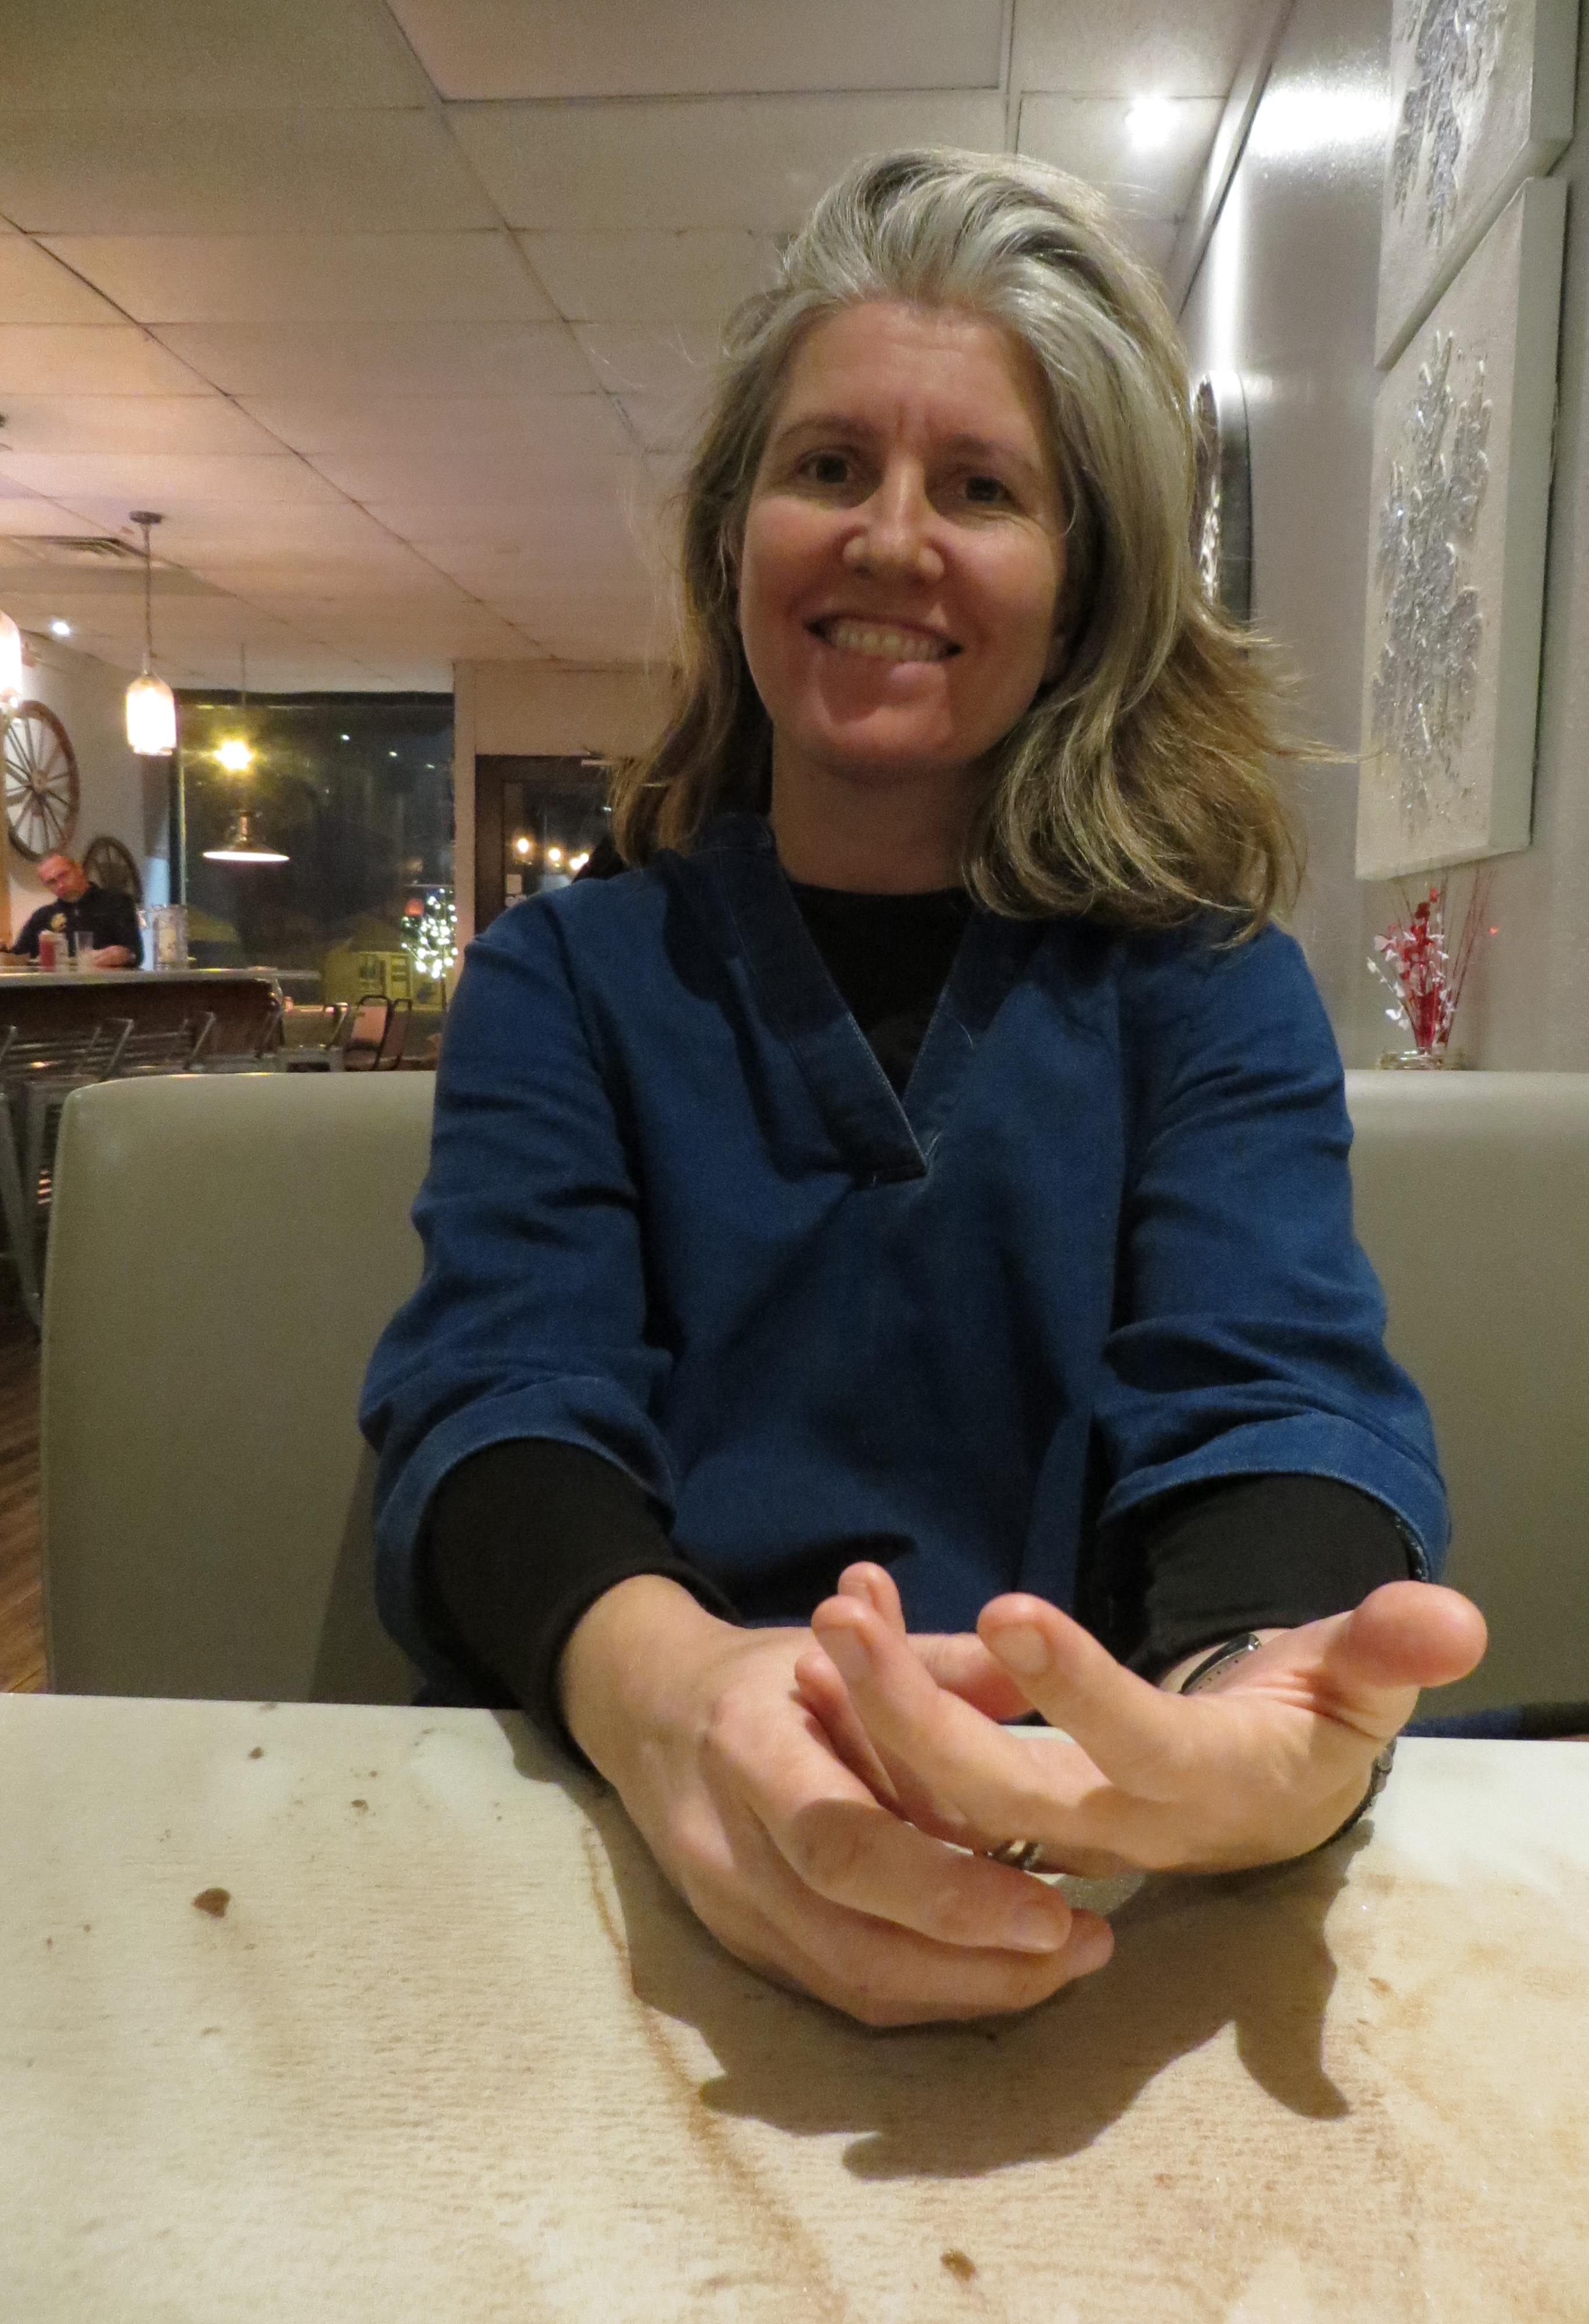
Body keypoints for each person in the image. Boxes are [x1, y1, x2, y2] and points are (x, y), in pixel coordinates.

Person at [363, 149, 1486, 2027]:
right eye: (829, 467)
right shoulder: (562, 981)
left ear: (1084, 583)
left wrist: (1244, 1706)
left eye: (981, 489)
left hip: (1093, 1896)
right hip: (626, 1870)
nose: (891, 540)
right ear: (737, 537)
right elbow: (498, 1405)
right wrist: (680, 1703)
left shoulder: (1207, 992)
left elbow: (1272, 1401)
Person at [9, 852, 141, 967]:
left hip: (108, 985)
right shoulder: (43, 917)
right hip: (57, 987)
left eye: (63, 875)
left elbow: (136, 954)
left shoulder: (117, 902)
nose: (61, 885)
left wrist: (125, 955)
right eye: (52, 882)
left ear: (78, 869)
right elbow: (17, 956)